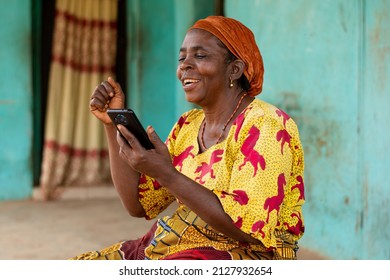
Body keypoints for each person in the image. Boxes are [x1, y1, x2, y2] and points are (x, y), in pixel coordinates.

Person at [72, 15, 305, 260]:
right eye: (182, 57)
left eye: (200, 56)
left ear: (235, 69)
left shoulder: (267, 125)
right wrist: (112, 124)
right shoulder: (188, 125)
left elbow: (247, 230)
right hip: (175, 243)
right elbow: (137, 205)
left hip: (247, 255)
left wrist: (166, 173)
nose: (185, 65)